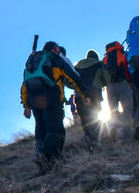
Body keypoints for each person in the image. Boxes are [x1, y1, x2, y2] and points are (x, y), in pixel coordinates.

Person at [21, 42, 89, 173]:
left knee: (41, 131)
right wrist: (85, 94)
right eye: (57, 48)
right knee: (56, 130)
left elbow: (24, 86)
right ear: (54, 49)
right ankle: (50, 157)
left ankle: (43, 162)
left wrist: (26, 105)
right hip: (51, 97)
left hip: (34, 100)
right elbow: (73, 77)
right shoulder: (55, 60)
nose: (58, 51)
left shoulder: (32, 62)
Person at [73, 50, 109, 149]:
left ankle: (89, 139)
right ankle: (95, 143)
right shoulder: (99, 64)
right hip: (94, 96)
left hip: (79, 97)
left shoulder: (77, 66)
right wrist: (102, 84)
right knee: (95, 118)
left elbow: (69, 80)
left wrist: (76, 88)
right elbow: (106, 79)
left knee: (85, 121)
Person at [102, 41, 133, 142]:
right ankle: (127, 133)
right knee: (127, 109)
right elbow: (128, 68)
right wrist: (130, 80)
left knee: (113, 110)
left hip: (110, 86)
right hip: (123, 83)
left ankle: (112, 127)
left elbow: (103, 74)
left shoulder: (105, 59)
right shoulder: (122, 54)